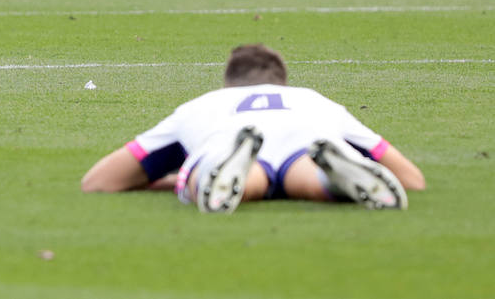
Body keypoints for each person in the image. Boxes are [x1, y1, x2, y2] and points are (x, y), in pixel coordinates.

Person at [80, 44, 425, 213]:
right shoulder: (316, 101)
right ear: (282, 83)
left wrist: (167, 181)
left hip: (229, 138)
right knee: (305, 173)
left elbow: (99, 182)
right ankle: (333, 178)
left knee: (236, 176)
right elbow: (411, 179)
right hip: (306, 140)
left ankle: (223, 171)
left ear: (229, 84)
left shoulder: (202, 106)